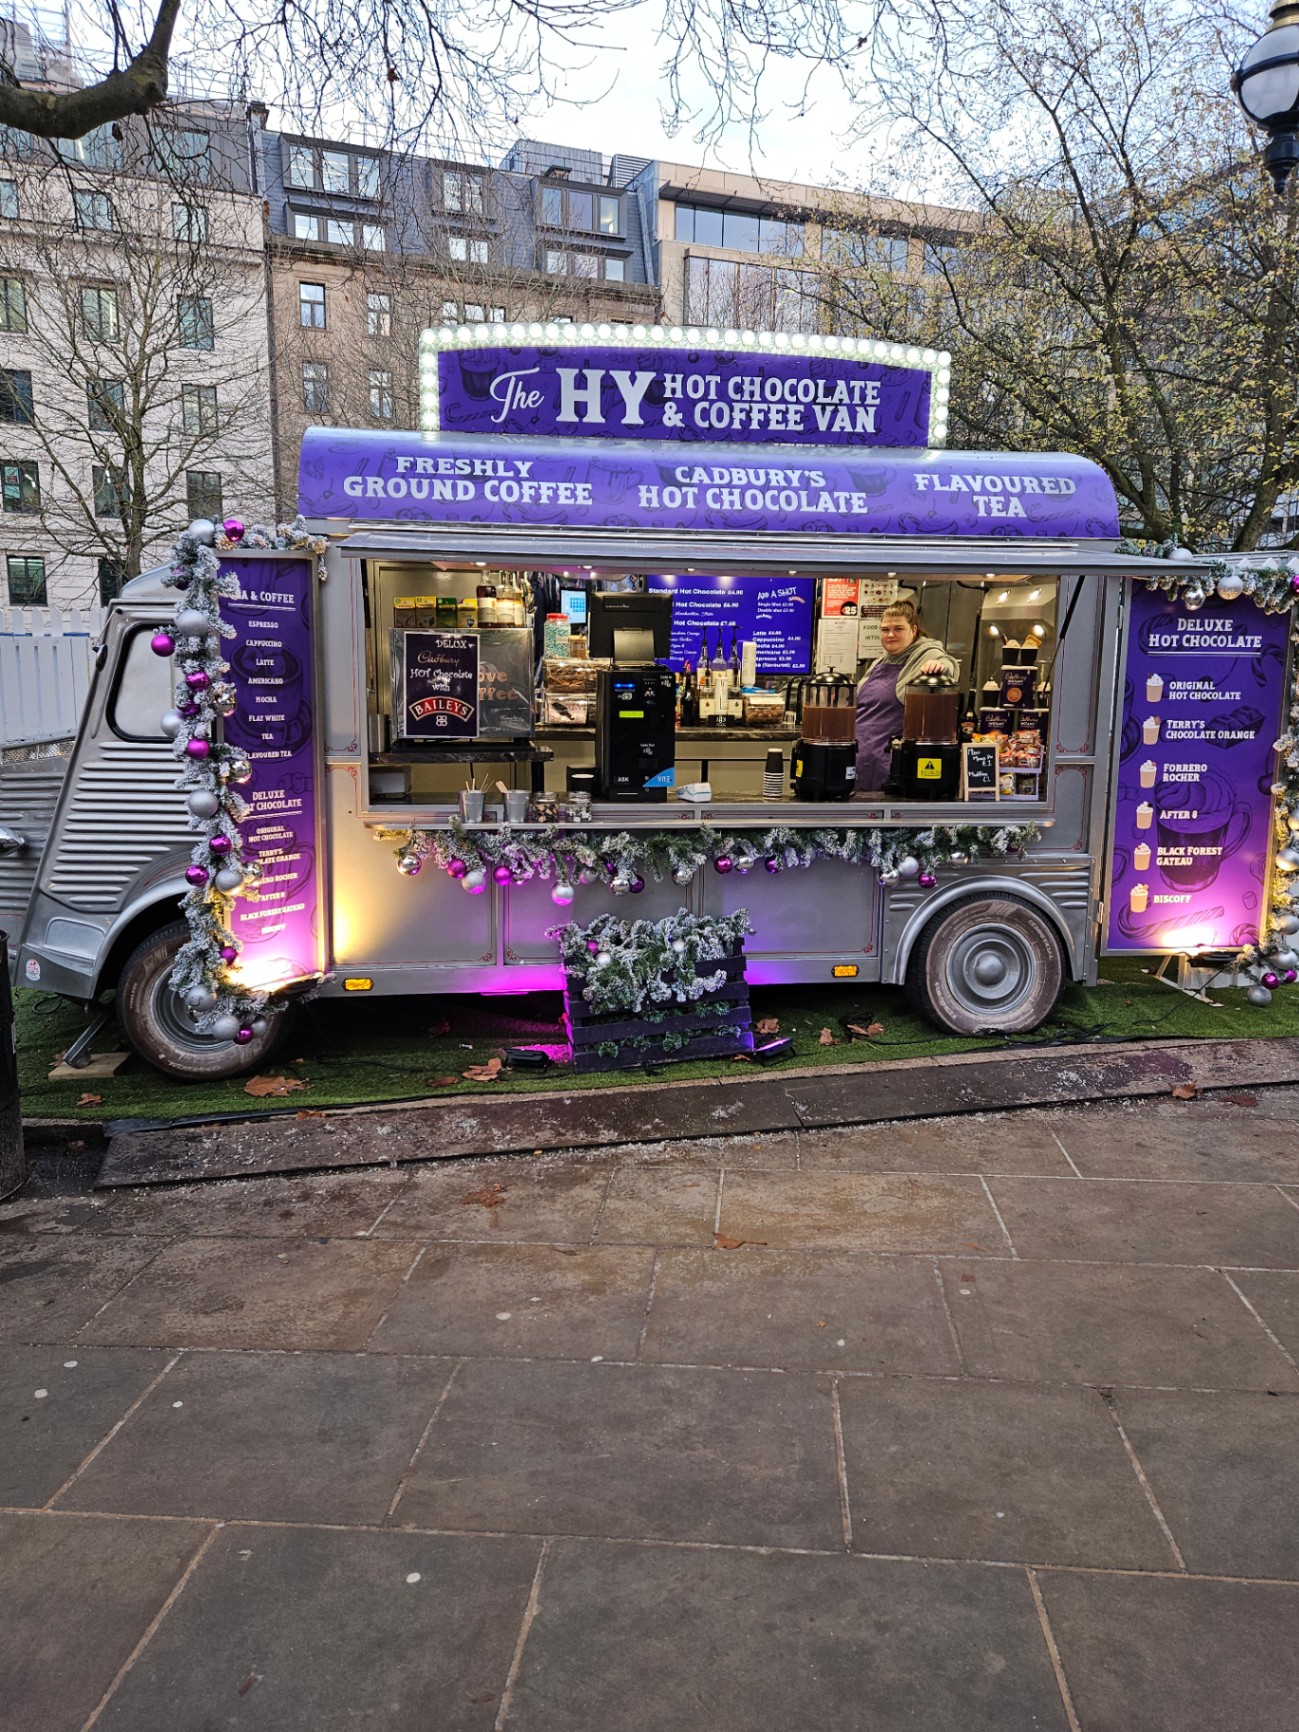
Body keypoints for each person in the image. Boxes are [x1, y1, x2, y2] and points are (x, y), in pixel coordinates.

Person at [854, 600, 958, 793]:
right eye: (885, 630)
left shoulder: (926, 654)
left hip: (890, 765)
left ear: (913, 630)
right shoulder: (879, 662)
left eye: (898, 629)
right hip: (860, 759)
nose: (890, 635)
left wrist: (939, 667)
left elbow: (947, 664)